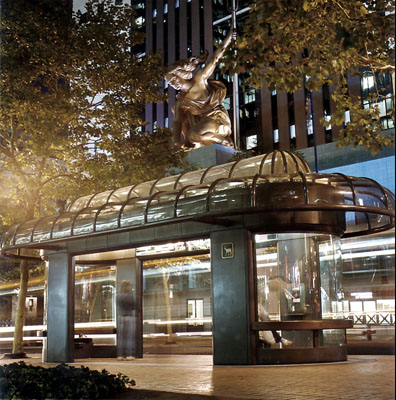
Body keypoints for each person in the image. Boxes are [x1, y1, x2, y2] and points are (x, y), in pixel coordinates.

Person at [165, 22, 235, 149]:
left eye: (174, 78)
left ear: (182, 74)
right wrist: (174, 141)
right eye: (170, 82)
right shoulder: (180, 102)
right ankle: (213, 141)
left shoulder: (199, 79)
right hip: (202, 125)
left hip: (216, 120)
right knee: (191, 138)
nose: (173, 83)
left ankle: (222, 140)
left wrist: (228, 40)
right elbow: (177, 122)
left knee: (194, 135)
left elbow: (215, 60)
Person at [117, 280, 135, 360]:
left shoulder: (118, 296)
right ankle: (128, 355)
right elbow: (133, 306)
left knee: (121, 338)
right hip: (128, 317)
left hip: (121, 317)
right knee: (128, 338)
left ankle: (120, 355)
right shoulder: (130, 296)